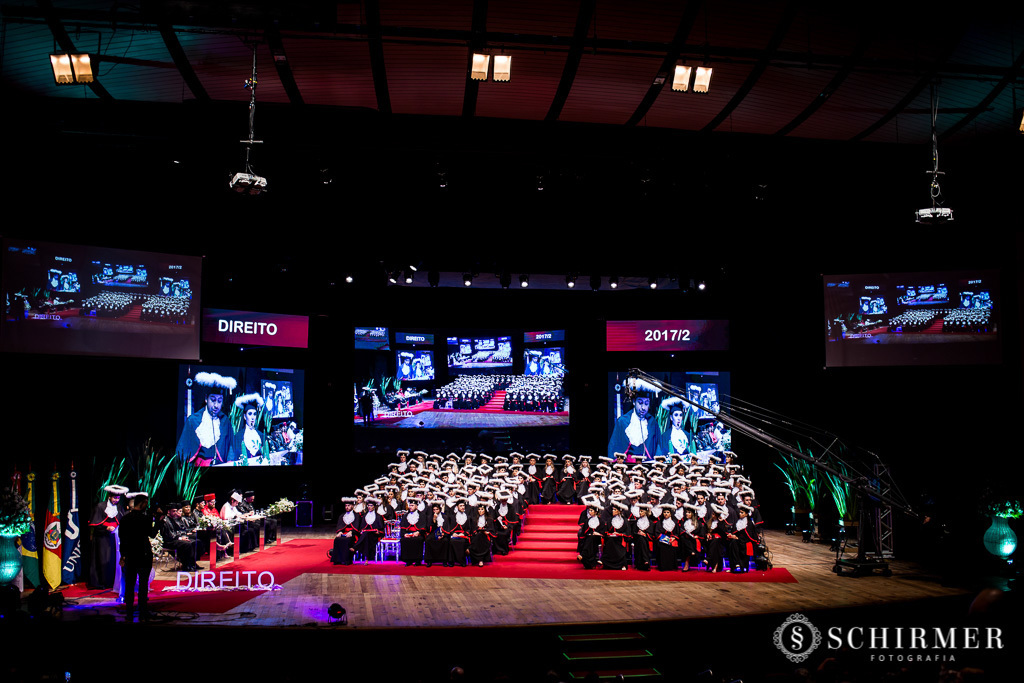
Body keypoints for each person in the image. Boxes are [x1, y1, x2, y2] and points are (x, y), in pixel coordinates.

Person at [176, 372, 236, 466]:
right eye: (213, 400)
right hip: (199, 470)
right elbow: (183, 450)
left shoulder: (225, 421)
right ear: (206, 398)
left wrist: (229, 464)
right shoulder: (193, 421)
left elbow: (231, 447)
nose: (216, 405)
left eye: (219, 401)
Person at [118, 492, 159, 621]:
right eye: (145, 504)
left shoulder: (124, 519)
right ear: (142, 504)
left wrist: (123, 555)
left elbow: (122, 538)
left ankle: (129, 611)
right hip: (143, 554)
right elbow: (151, 534)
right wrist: (158, 521)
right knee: (143, 585)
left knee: (129, 584)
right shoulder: (144, 518)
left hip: (130, 554)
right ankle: (143, 610)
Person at [607, 383, 661, 462]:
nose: (643, 408)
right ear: (634, 402)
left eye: (646, 404)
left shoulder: (652, 422)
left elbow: (658, 447)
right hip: (627, 465)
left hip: (647, 465)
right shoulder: (623, 421)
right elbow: (614, 447)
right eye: (640, 403)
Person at [88, 485, 128, 590]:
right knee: (103, 560)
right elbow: (95, 524)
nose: (116, 500)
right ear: (109, 497)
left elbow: (122, 520)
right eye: (114, 498)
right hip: (102, 539)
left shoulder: (119, 508)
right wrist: (106, 528)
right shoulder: (100, 507)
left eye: (118, 498)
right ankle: (101, 582)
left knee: (113, 560)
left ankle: (111, 582)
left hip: (114, 538)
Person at [160, 501, 199, 571]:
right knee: (188, 544)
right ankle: (187, 565)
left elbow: (180, 530)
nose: (175, 513)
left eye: (176, 511)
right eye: (173, 511)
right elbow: (169, 535)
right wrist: (180, 538)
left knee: (196, 542)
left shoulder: (174, 519)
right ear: (168, 511)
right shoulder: (165, 520)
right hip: (169, 541)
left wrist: (183, 536)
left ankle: (192, 563)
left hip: (176, 539)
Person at [230, 395, 266, 462]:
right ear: (244, 416)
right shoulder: (238, 437)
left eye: (254, 414)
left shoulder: (261, 436)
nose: (252, 417)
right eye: (250, 414)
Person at [330, 497, 360, 565]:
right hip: (344, 533)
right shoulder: (342, 516)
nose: (347, 507)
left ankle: (346, 560)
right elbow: (340, 526)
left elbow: (357, 527)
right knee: (337, 539)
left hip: (353, 534)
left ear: (352, 506)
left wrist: (351, 532)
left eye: (348, 505)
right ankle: (337, 560)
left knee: (347, 540)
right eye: (346, 505)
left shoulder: (357, 516)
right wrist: (340, 532)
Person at [399, 498, 426, 566]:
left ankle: (417, 560)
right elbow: (402, 527)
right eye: (410, 505)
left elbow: (424, 527)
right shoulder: (406, 516)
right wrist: (404, 534)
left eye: (412, 505)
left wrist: (418, 532)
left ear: (416, 506)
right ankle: (408, 560)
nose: (410, 507)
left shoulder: (422, 515)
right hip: (408, 533)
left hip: (418, 534)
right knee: (404, 540)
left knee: (417, 540)